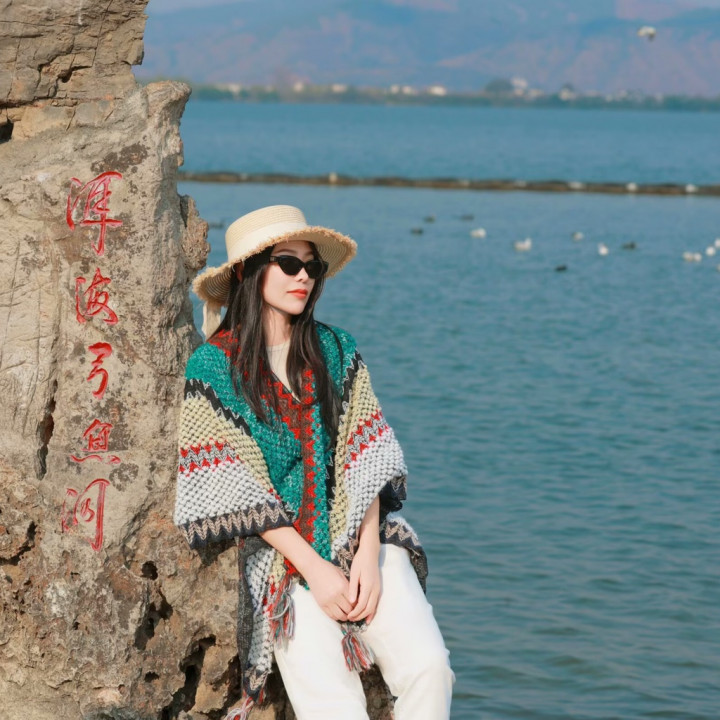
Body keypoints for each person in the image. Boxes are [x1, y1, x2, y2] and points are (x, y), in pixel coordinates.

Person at [174, 205, 454, 720]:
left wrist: (367, 554)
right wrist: (316, 572)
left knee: (430, 669)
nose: (303, 276)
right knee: (331, 708)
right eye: (288, 263)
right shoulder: (212, 367)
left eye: (312, 266)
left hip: (364, 539)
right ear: (249, 271)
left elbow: (365, 458)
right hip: (283, 565)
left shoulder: (336, 348)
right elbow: (232, 484)